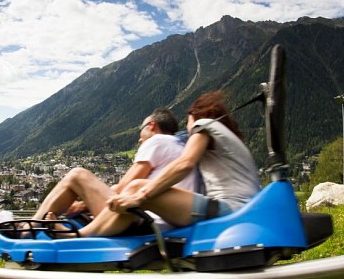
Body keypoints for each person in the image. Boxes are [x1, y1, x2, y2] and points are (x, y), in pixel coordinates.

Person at [73, 90, 261, 237]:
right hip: (244, 211)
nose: (187, 129)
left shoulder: (203, 124)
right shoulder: (227, 137)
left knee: (136, 187)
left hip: (228, 210)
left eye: (187, 121)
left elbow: (185, 163)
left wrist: (141, 197)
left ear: (194, 115)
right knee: (137, 187)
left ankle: (79, 237)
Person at [26, 107, 199, 232]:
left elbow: (125, 186)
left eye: (140, 131)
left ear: (151, 125)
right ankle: (34, 225)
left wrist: (81, 205)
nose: (139, 138)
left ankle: (30, 228)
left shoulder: (157, 141)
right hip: (171, 221)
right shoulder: (179, 146)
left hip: (141, 219)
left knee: (77, 175)